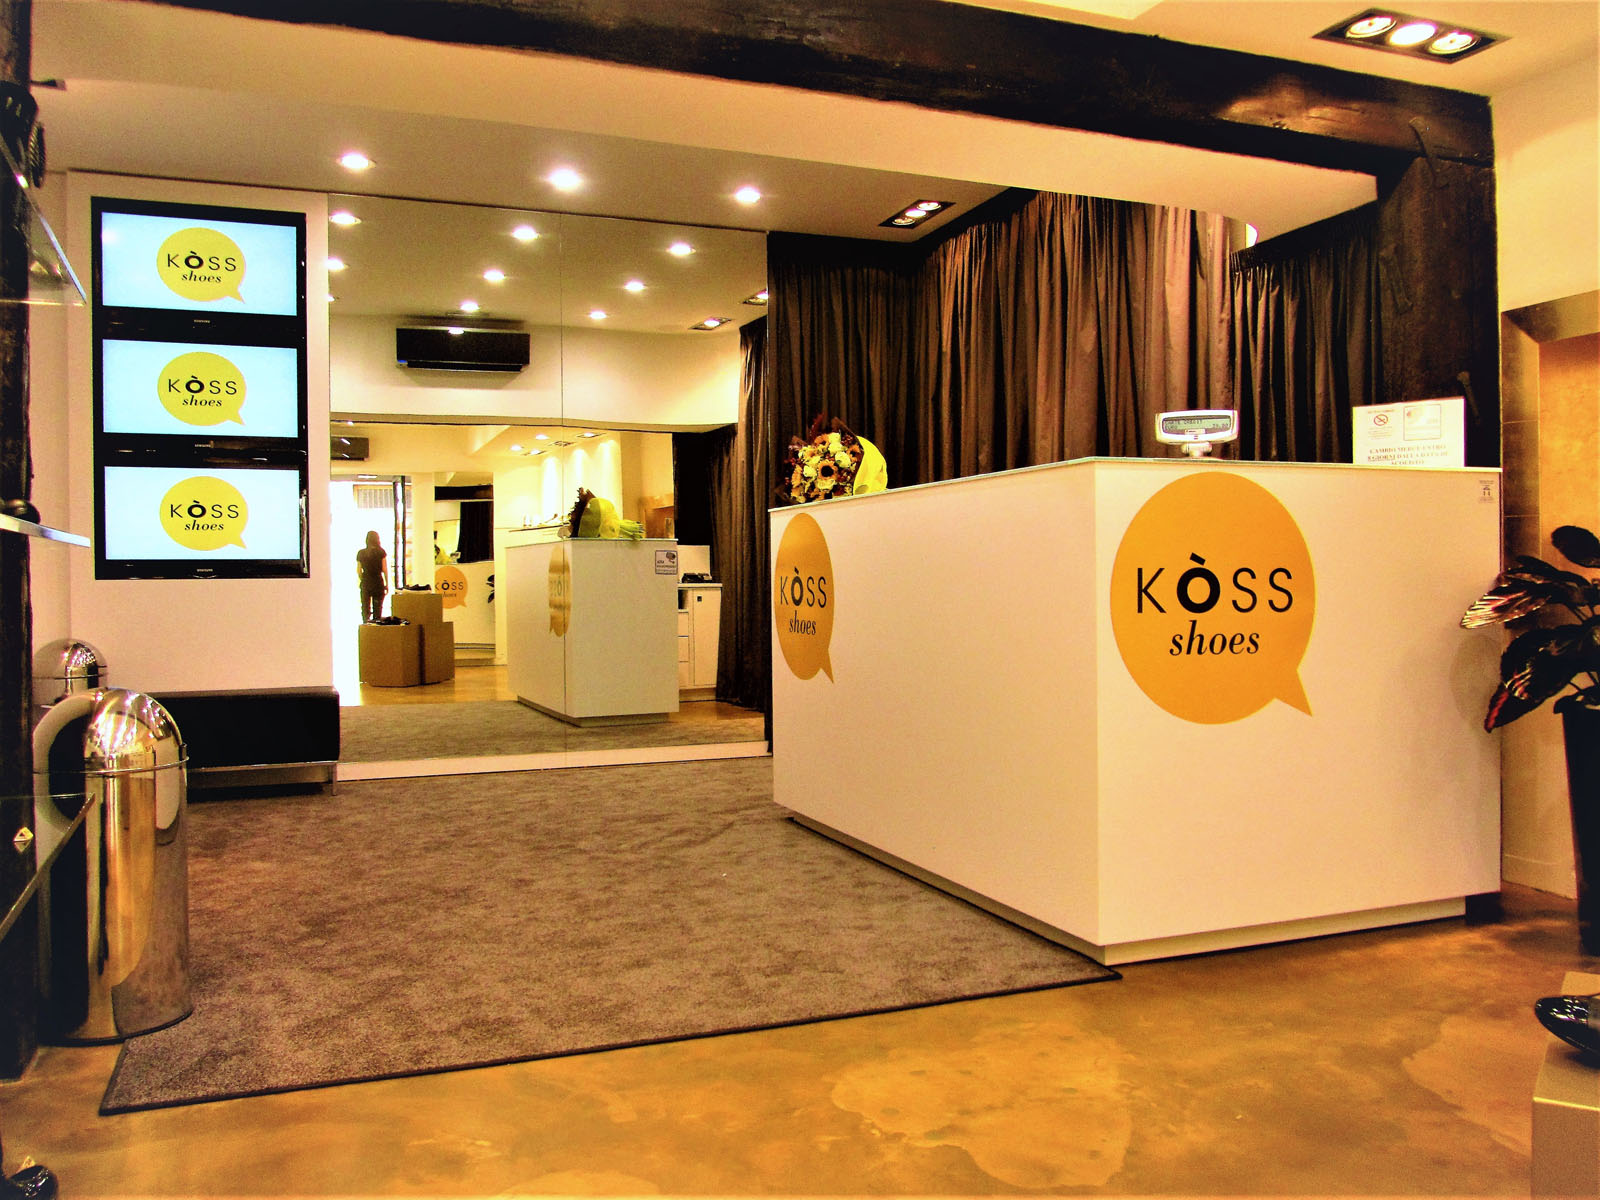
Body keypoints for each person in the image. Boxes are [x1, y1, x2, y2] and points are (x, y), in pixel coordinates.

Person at [356, 531, 388, 622]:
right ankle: (376, 626)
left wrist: (363, 579)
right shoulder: (381, 552)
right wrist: (386, 584)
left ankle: (366, 625)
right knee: (378, 607)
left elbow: (358, 570)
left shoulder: (361, 553)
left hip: (366, 581)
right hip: (378, 581)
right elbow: (384, 569)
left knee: (365, 607)